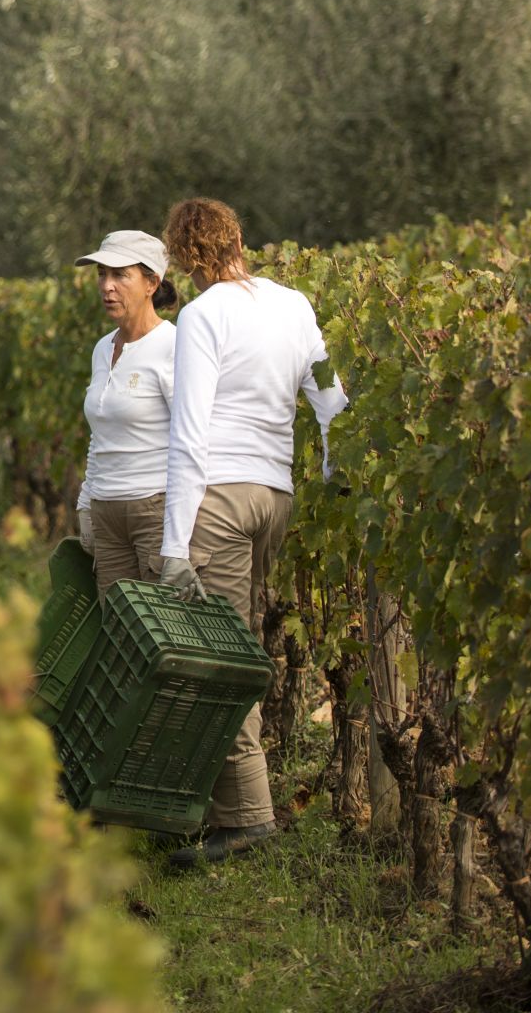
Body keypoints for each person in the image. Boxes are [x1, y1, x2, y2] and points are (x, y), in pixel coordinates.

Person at [158, 198, 346, 867]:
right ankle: (224, 803)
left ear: (184, 257)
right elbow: (327, 390)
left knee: (221, 657)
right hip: (275, 496)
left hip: (220, 499)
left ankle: (244, 818)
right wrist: (335, 460)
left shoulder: (202, 317)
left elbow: (189, 435)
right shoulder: (292, 304)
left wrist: (175, 544)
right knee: (239, 640)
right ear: (240, 239)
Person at [71, 230, 179, 595]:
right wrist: (87, 502)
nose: (107, 286)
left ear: (151, 283)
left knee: (162, 633)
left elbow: (192, 435)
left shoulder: (173, 346)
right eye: (102, 274)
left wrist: (179, 527)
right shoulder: (103, 348)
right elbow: (100, 433)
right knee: (118, 630)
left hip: (153, 510)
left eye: (120, 275)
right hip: (106, 512)